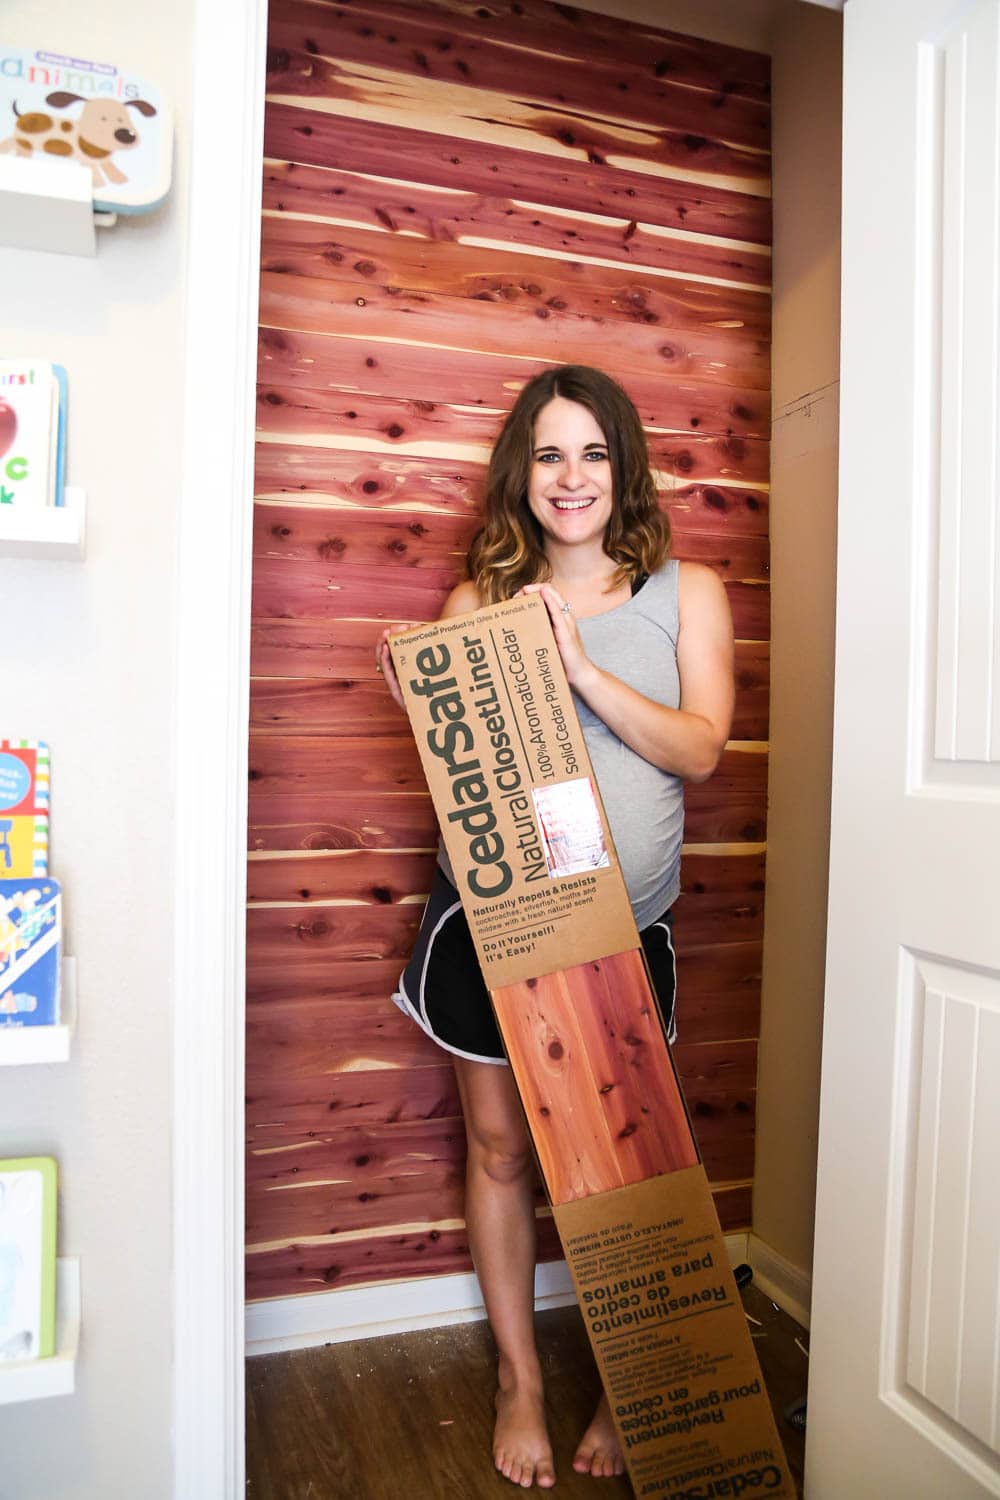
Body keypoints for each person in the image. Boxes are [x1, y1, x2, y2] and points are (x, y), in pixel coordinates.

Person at [376, 365, 734, 1490]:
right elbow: (458, 790)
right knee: (498, 1150)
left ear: (621, 466)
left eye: (591, 453)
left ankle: (638, 1380)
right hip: (494, 930)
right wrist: (422, 699)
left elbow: (698, 748)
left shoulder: (688, 592)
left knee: (619, 1173)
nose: (570, 477)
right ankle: (520, 1380)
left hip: (626, 935)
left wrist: (577, 668)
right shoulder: (477, 605)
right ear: (519, 474)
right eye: (547, 454)